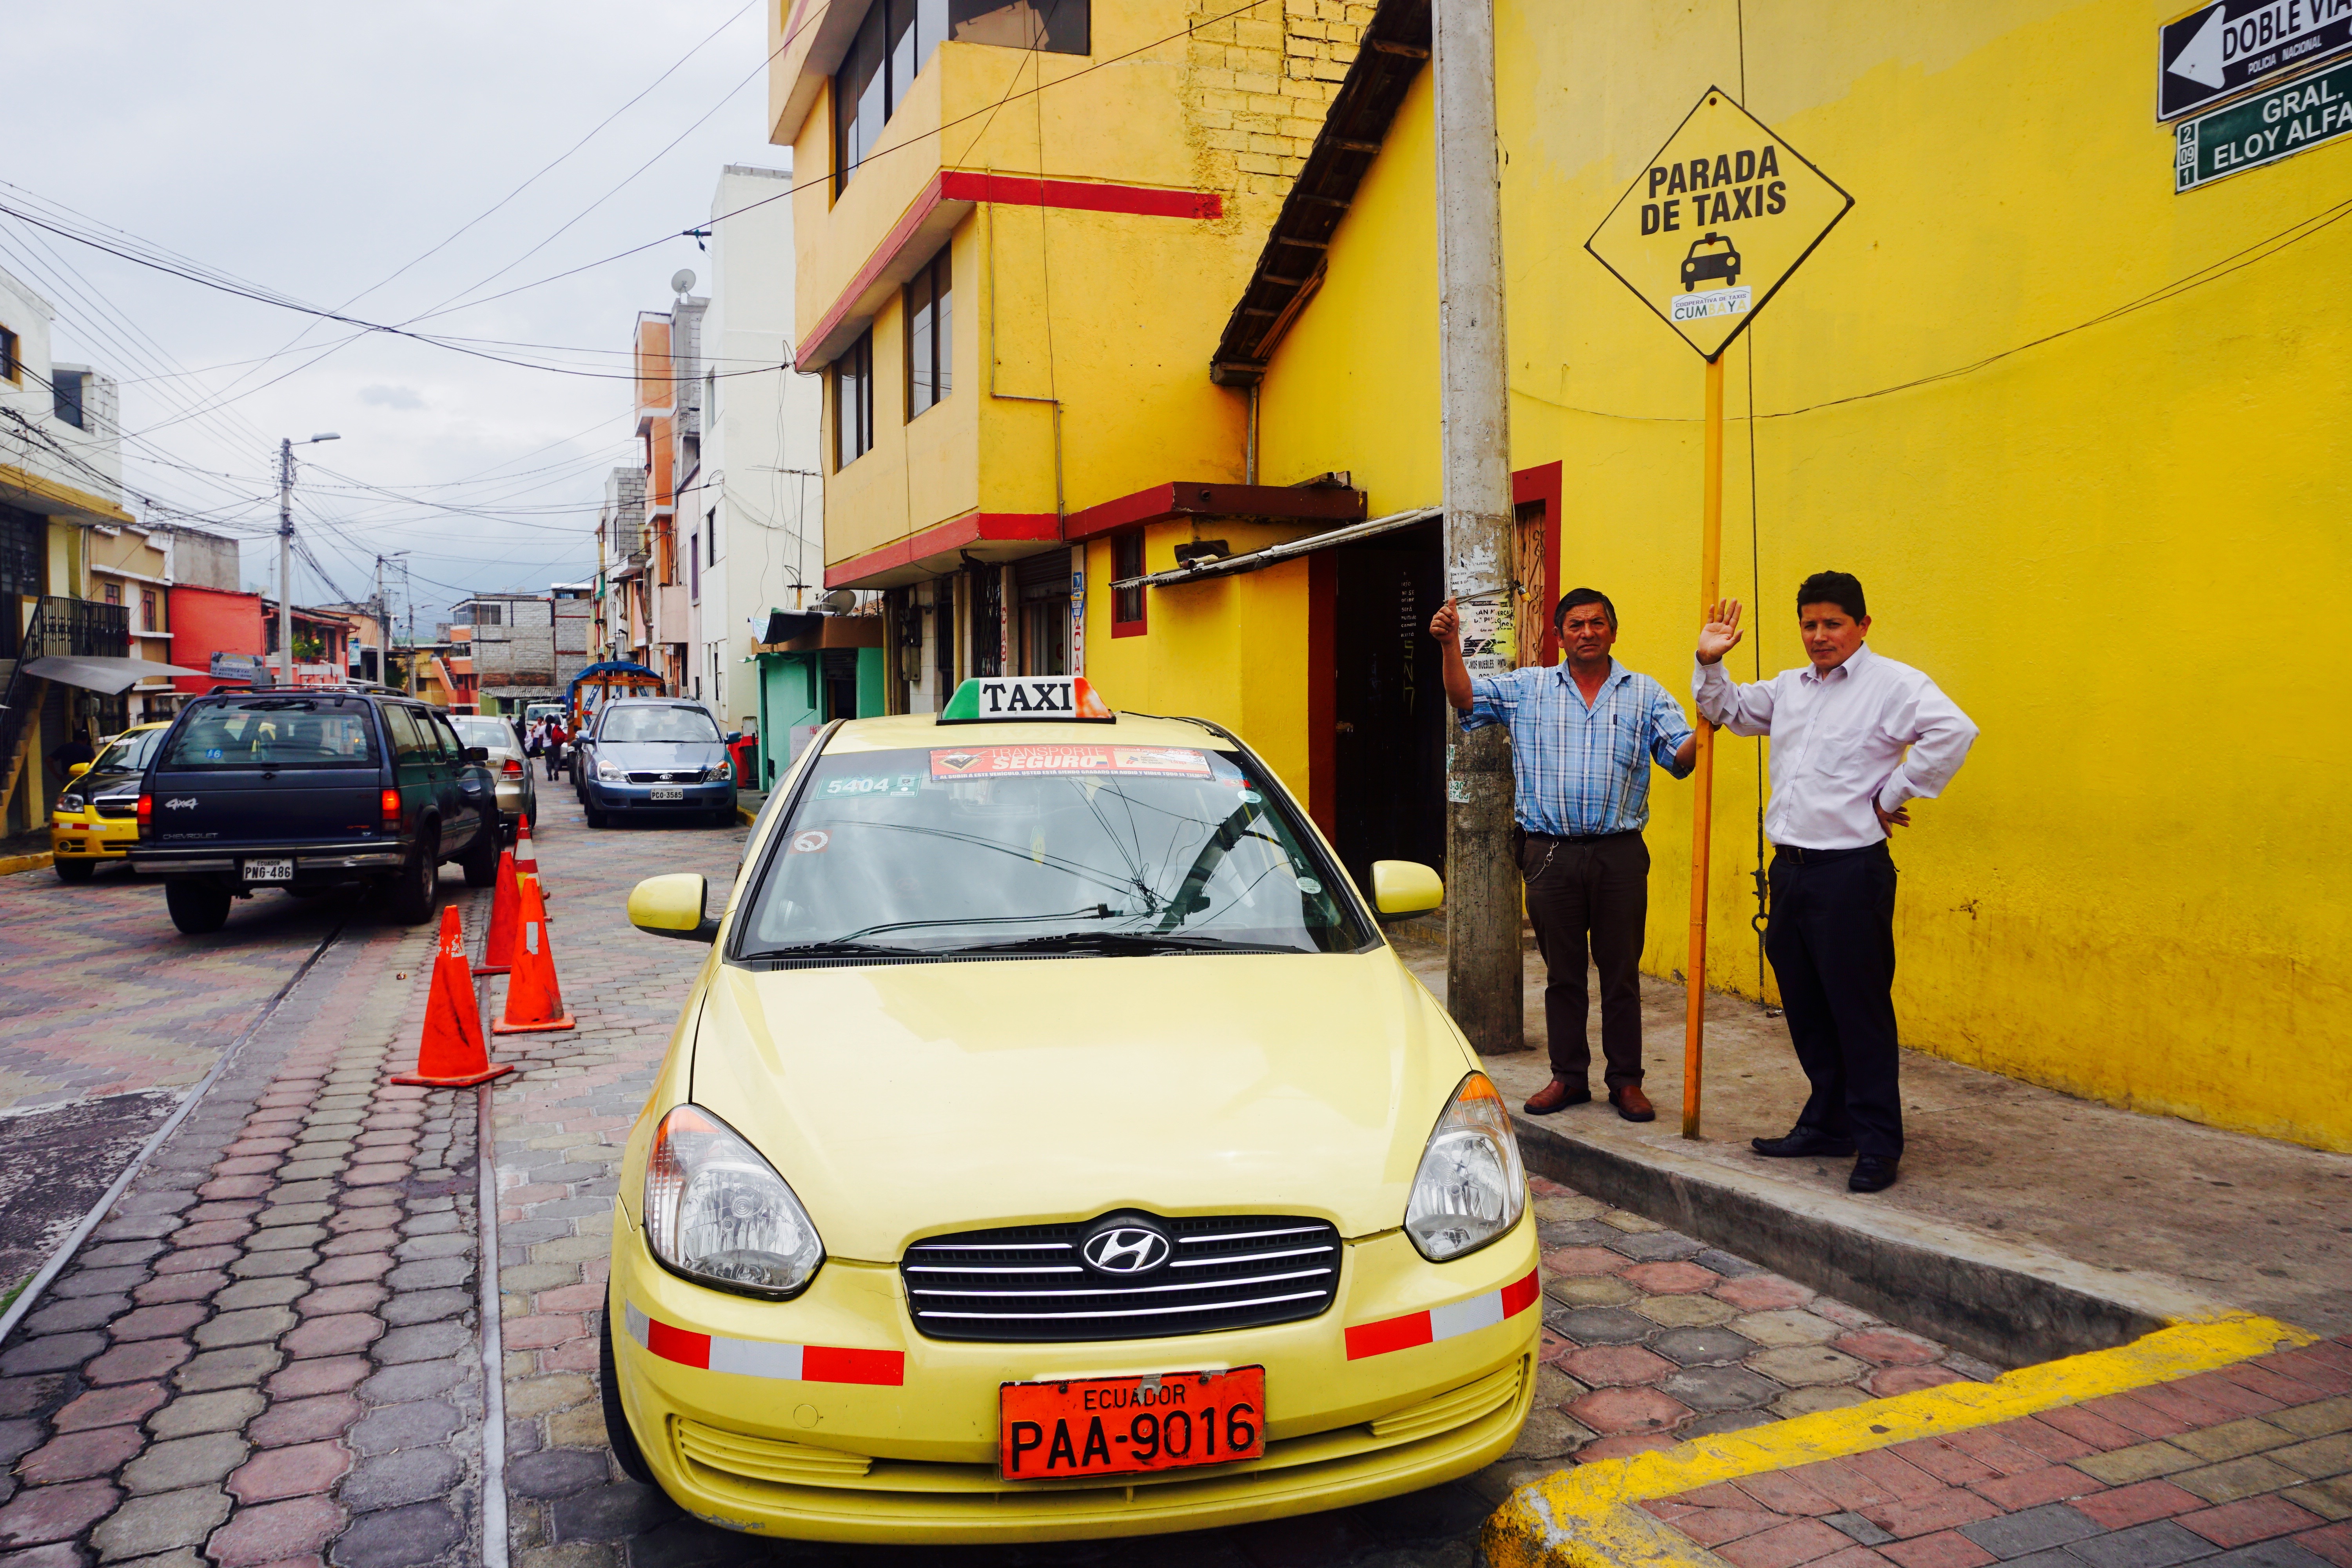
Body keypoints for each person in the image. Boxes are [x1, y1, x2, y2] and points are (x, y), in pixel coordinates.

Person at [1693, 572, 1978, 1193]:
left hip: (1850, 872)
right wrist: (1710, 662)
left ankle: (1877, 1143)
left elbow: (1955, 731)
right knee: (1807, 1005)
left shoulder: (1893, 685)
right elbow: (1727, 711)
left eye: (1833, 624)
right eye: (1809, 624)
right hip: (1790, 871)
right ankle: (1828, 1121)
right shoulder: (1790, 689)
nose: (1820, 636)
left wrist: (1893, 794)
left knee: (1859, 1010)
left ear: (1862, 626)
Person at [1431, 588, 1699, 1121]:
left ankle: (1626, 1081)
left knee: (1620, 974)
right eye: (1576, 624)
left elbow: (1682, 757)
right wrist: (1450, 645)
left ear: (1613, 631)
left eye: (1597, 623)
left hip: (1620, 856)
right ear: (1559, 636)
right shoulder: (1527, 688)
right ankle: (1569, 1077)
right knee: (1564, 976)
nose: (1587, 632)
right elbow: (1464, 697)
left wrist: (1712, 714)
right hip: (1550, 855)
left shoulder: (1645, 694)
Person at [544, 715, 567, 780]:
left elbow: (540, 738)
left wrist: (539, 746)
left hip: (546, 747)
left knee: (548, 762)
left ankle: (549, 776)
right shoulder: (556, 727)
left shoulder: (543, 728)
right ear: (553, 720)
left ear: (546, 720)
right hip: (556, 746)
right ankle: (556, 772)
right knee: (557, 761)